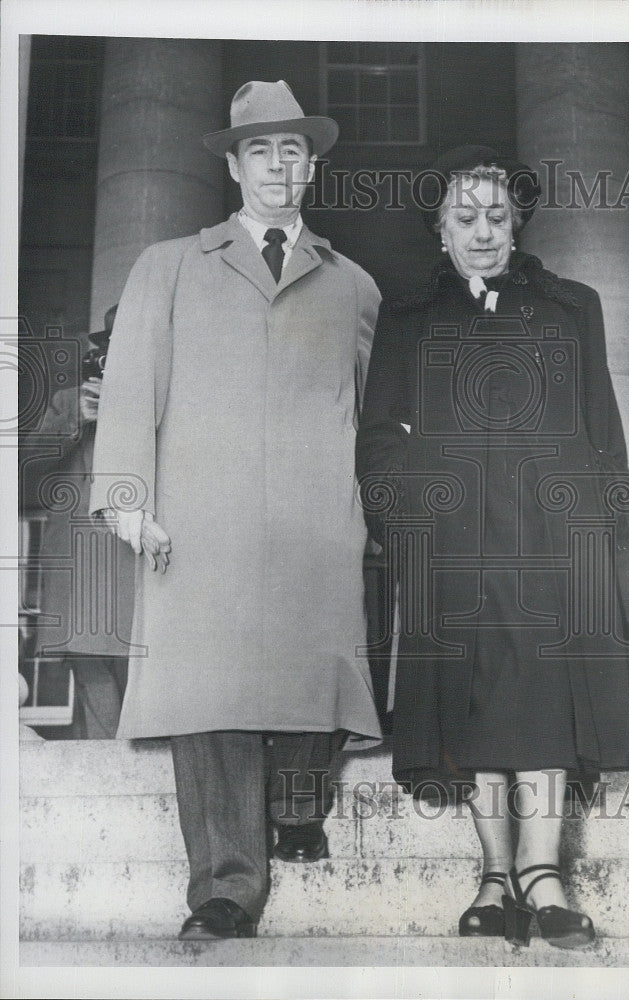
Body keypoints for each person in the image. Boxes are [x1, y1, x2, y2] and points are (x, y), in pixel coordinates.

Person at [90, 80, 382, 939]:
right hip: (200, 514)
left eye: (294, 149)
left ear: (312, 166)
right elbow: (134, 385)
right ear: (232, 164)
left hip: (313, 516)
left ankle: (295, 811)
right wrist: (128, 500)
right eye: (262, 149)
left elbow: (362, 410)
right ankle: (224, 887)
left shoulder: (353, 285)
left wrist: (360, 513)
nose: (279, 163)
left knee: (312, 670)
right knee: (210, 697)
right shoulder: (170, 263)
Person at [356, 146, 629, 949]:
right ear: (439, 231)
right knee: (471, 704)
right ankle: (492, 875)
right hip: (451, 543)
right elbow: (377, 442)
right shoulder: (409, 319)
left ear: (516, 223)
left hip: (555, 538)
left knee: (547, 699)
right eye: (464, 217)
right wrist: (406, 509)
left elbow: (603, 427)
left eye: (495, 216)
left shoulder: (570, 306)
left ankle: (544, 876)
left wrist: (614, 520)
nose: (482, 232)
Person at [30, 306, 131, 738]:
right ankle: (111, 769)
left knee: (137, 667)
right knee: (89, 665)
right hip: (78, 561)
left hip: (132, 556)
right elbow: (27, 469)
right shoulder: (70, 400)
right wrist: (77, 420)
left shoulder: (168, 401)